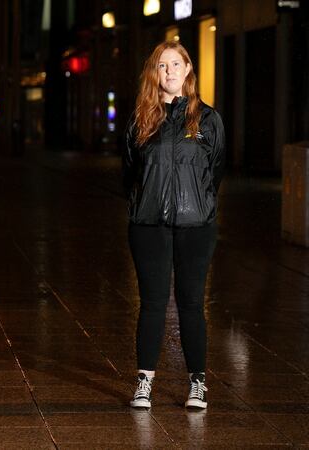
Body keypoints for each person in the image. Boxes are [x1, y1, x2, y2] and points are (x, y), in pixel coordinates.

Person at [122, 42, 225, 410]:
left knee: (191, 303)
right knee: (151, 304)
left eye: (175, 64)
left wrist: (197, 204)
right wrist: (145, 202)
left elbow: (215, 171)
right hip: (148, 225)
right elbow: (130, 172)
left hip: (196, 226)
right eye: (162, 65)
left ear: (187, 69)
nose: (169, 71)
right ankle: (144, 382)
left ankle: (197, 382)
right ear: (155, 72)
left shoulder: (207, 119)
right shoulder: (140, 118)